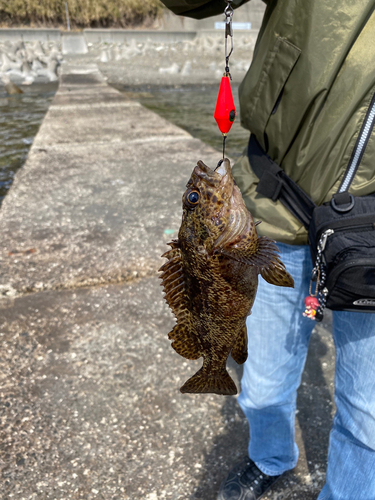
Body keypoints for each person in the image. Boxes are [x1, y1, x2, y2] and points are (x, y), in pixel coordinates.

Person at [160, 1, 375, 499]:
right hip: (275, 208)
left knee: (369, 415)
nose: (204, 189)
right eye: (200, 198)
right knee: (259, 386)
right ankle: (270, 456)